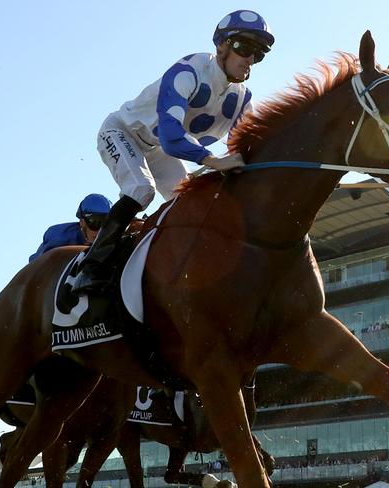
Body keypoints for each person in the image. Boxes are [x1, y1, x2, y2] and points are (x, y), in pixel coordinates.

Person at [72, 10, 274, 294]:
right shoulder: (189, 71)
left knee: (188, 203)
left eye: (259, 54)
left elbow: (248, 151)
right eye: (244, 47)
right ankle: (92, 267)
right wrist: (213, 161)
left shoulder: (242, 99)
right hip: (122, 132)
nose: (250, 59)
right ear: (221, 46)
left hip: (158, 149)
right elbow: (170, 136)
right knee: (141, 190)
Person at [29, 193, 112, 262]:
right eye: (95, 222)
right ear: (82, 222)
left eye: (106, 224)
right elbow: (38, 269)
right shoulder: (60, 239)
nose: (100, 231)